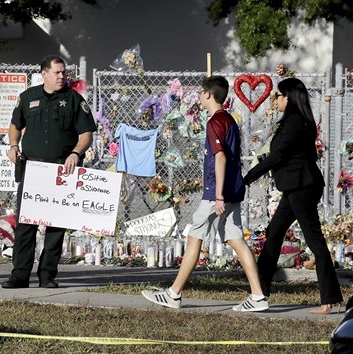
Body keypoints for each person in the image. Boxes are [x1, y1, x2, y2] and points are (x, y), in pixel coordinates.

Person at [142, 76, 269, 312]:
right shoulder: (229, 120)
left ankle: (173, 293)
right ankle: (258, 296)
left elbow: (220, 158)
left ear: (209, 94)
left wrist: (218, 195)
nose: (199, 96)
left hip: (216, 193)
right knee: (238, 241)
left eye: (201, 92)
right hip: (232, 189)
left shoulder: (215, 122)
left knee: (194, 237)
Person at [244, 77, 343, 314]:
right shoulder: (295, 120)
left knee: (314, 240)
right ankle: (259, 292)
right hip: (296, 186)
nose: (276, 99)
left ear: (288, 97)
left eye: (278, 95)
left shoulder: (295, 122)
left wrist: (249, 176)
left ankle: (328, 299)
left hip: (302, 186)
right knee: (275, 232)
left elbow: (278, 155)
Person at [2, 55, 97, 289]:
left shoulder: (73, 99)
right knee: (26, 224)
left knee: (55, 226)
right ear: (44, 73)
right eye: (57, 72)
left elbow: (86, 134)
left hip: (60, 169)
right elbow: (15, 126)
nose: (62, 76)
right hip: (33, 168)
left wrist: (75, 153)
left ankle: (47, 275)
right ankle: (20, 274)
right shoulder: (28, 97)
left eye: (63, 72)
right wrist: (13, 145)